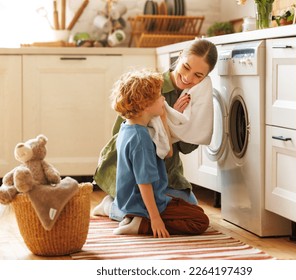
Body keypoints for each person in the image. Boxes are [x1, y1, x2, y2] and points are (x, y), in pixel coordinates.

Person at [93, 39, 218, 218]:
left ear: (206, 77)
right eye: (186, 67)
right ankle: (111, 207)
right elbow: (121, 136)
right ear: (180, 56)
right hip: (134, 172)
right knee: (146, 211)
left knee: (191, 209)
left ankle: (136, 207)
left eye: (198, 75)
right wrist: (168, 116)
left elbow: (187, 147)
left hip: (168, 173)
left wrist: (178, 121)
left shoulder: (196, 96)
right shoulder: (150, 86)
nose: (189, 78)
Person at [110, 69, 209, 237]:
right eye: (159, 96)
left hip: (133, 200)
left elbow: (168, 153)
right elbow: (144, 183)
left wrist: (163, 118)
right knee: (200, 220)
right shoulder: (141, 139)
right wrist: (155, 219)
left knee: (192, 208)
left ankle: (130, 216)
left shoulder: (128, 128)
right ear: (145, 106)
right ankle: (142, 224)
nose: (163, 98)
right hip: (143, 203)